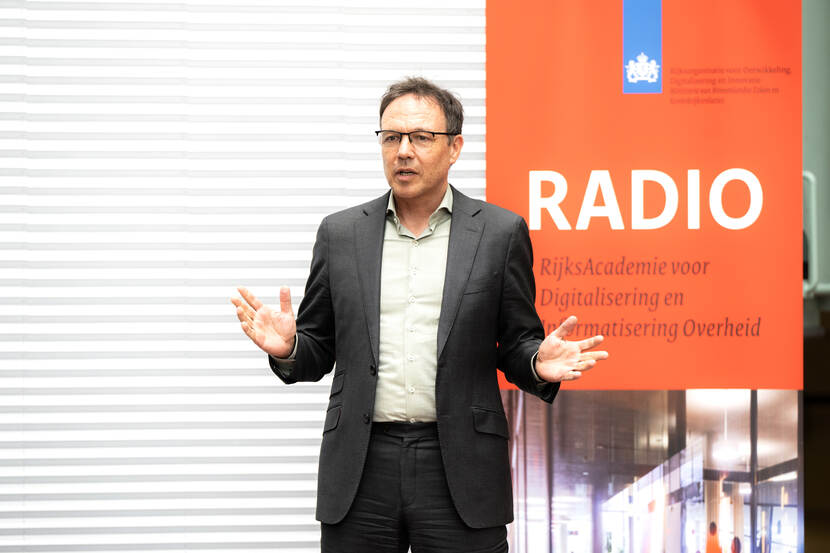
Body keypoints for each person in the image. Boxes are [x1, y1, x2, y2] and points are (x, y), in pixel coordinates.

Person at [231, 77, 608, 552]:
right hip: (361, 466)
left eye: (420, 137)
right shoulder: (340, 234)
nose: (403, 151)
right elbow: (317, 350)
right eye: (391, 137)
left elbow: (515, 343)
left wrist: (536, 362)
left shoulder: (499, 233)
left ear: (455, 147)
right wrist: (290, 349)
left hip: (460, 467)